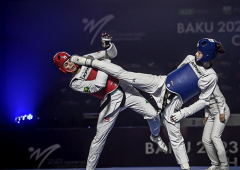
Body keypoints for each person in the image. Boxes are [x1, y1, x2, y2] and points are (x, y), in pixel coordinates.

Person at [70, 37, 226, 170]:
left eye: (200, 52)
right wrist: (161, 89)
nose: (196, 53)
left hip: (174, 104)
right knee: (125, 74)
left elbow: (204, 100)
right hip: (159, 83)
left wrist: (181, 113)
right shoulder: (190, 58)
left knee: (175, 137)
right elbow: (177, 74)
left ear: (207, 55)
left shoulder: (211, 77)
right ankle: (87, 61)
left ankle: (185, 168)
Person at [52, 34, 167, 170]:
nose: (70, 64)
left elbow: (112, 54)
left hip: (126, 89)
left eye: (69, 60)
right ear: (62, 69)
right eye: (66, 64)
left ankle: (155, 136)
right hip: (110, 101)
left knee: (153, 115)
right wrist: (104, 64)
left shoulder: (86, 58)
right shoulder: (75, 82)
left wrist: (108, 46)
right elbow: (98, 85)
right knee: (99, 138)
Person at [201, 85, 230, 170]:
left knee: (215, 136)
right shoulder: (200, 85)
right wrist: (206, 115)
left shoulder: (212, 82)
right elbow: (205, 101)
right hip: (211, 112)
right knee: (205, 139)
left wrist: (221, 112)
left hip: (221, 110)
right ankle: (215, 164)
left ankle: (224, 165)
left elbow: (220, 98)